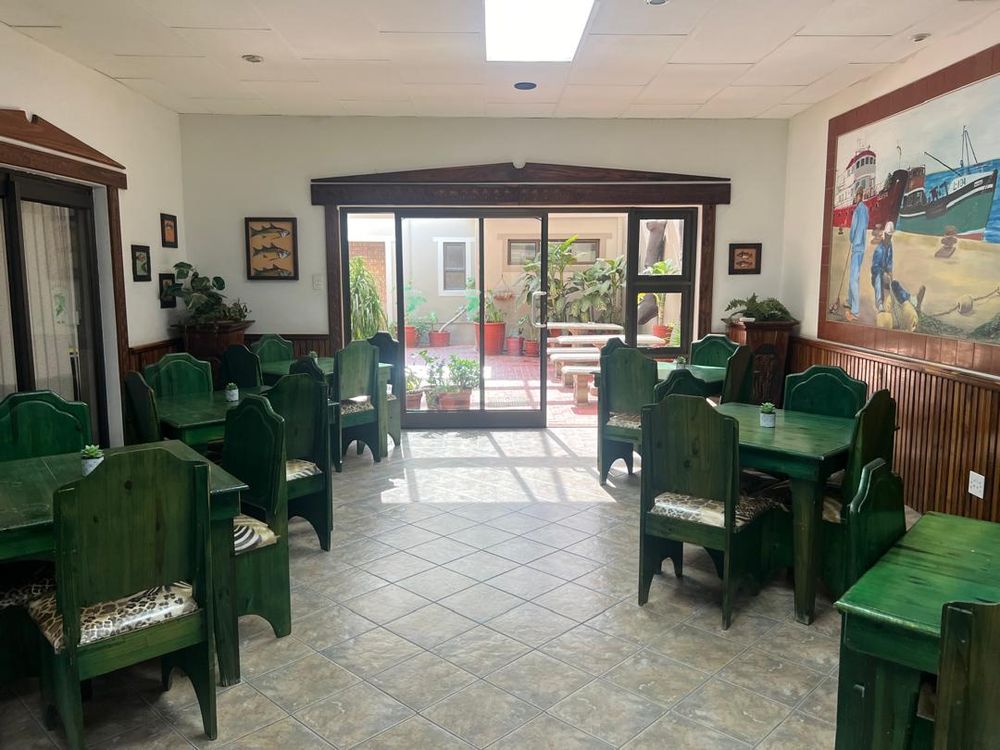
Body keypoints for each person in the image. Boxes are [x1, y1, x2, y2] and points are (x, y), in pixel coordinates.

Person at [846, 186, 869, 321]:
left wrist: (851, 239)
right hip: (862, 247)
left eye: (856, 196)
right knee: (855, 275)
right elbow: (865, 227)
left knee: (853, 278)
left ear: (859, 196)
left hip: (856, 247)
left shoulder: (856, 211)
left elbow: (854, 229)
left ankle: (855, 310)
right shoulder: (866, 210)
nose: (855, 198)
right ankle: (849, 300)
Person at [871, 221, 894, 312]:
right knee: (878, 279)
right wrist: (883, 272)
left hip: (885, 274)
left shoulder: (890, 245)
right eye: (888, 235)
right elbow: (874, 269)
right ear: (885, 234)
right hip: (877, 274)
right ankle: (880, 303)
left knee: (894, 283)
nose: (889, 238)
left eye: (890, 236)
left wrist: (890, 271)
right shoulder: (879, 250)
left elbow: (889, 260)